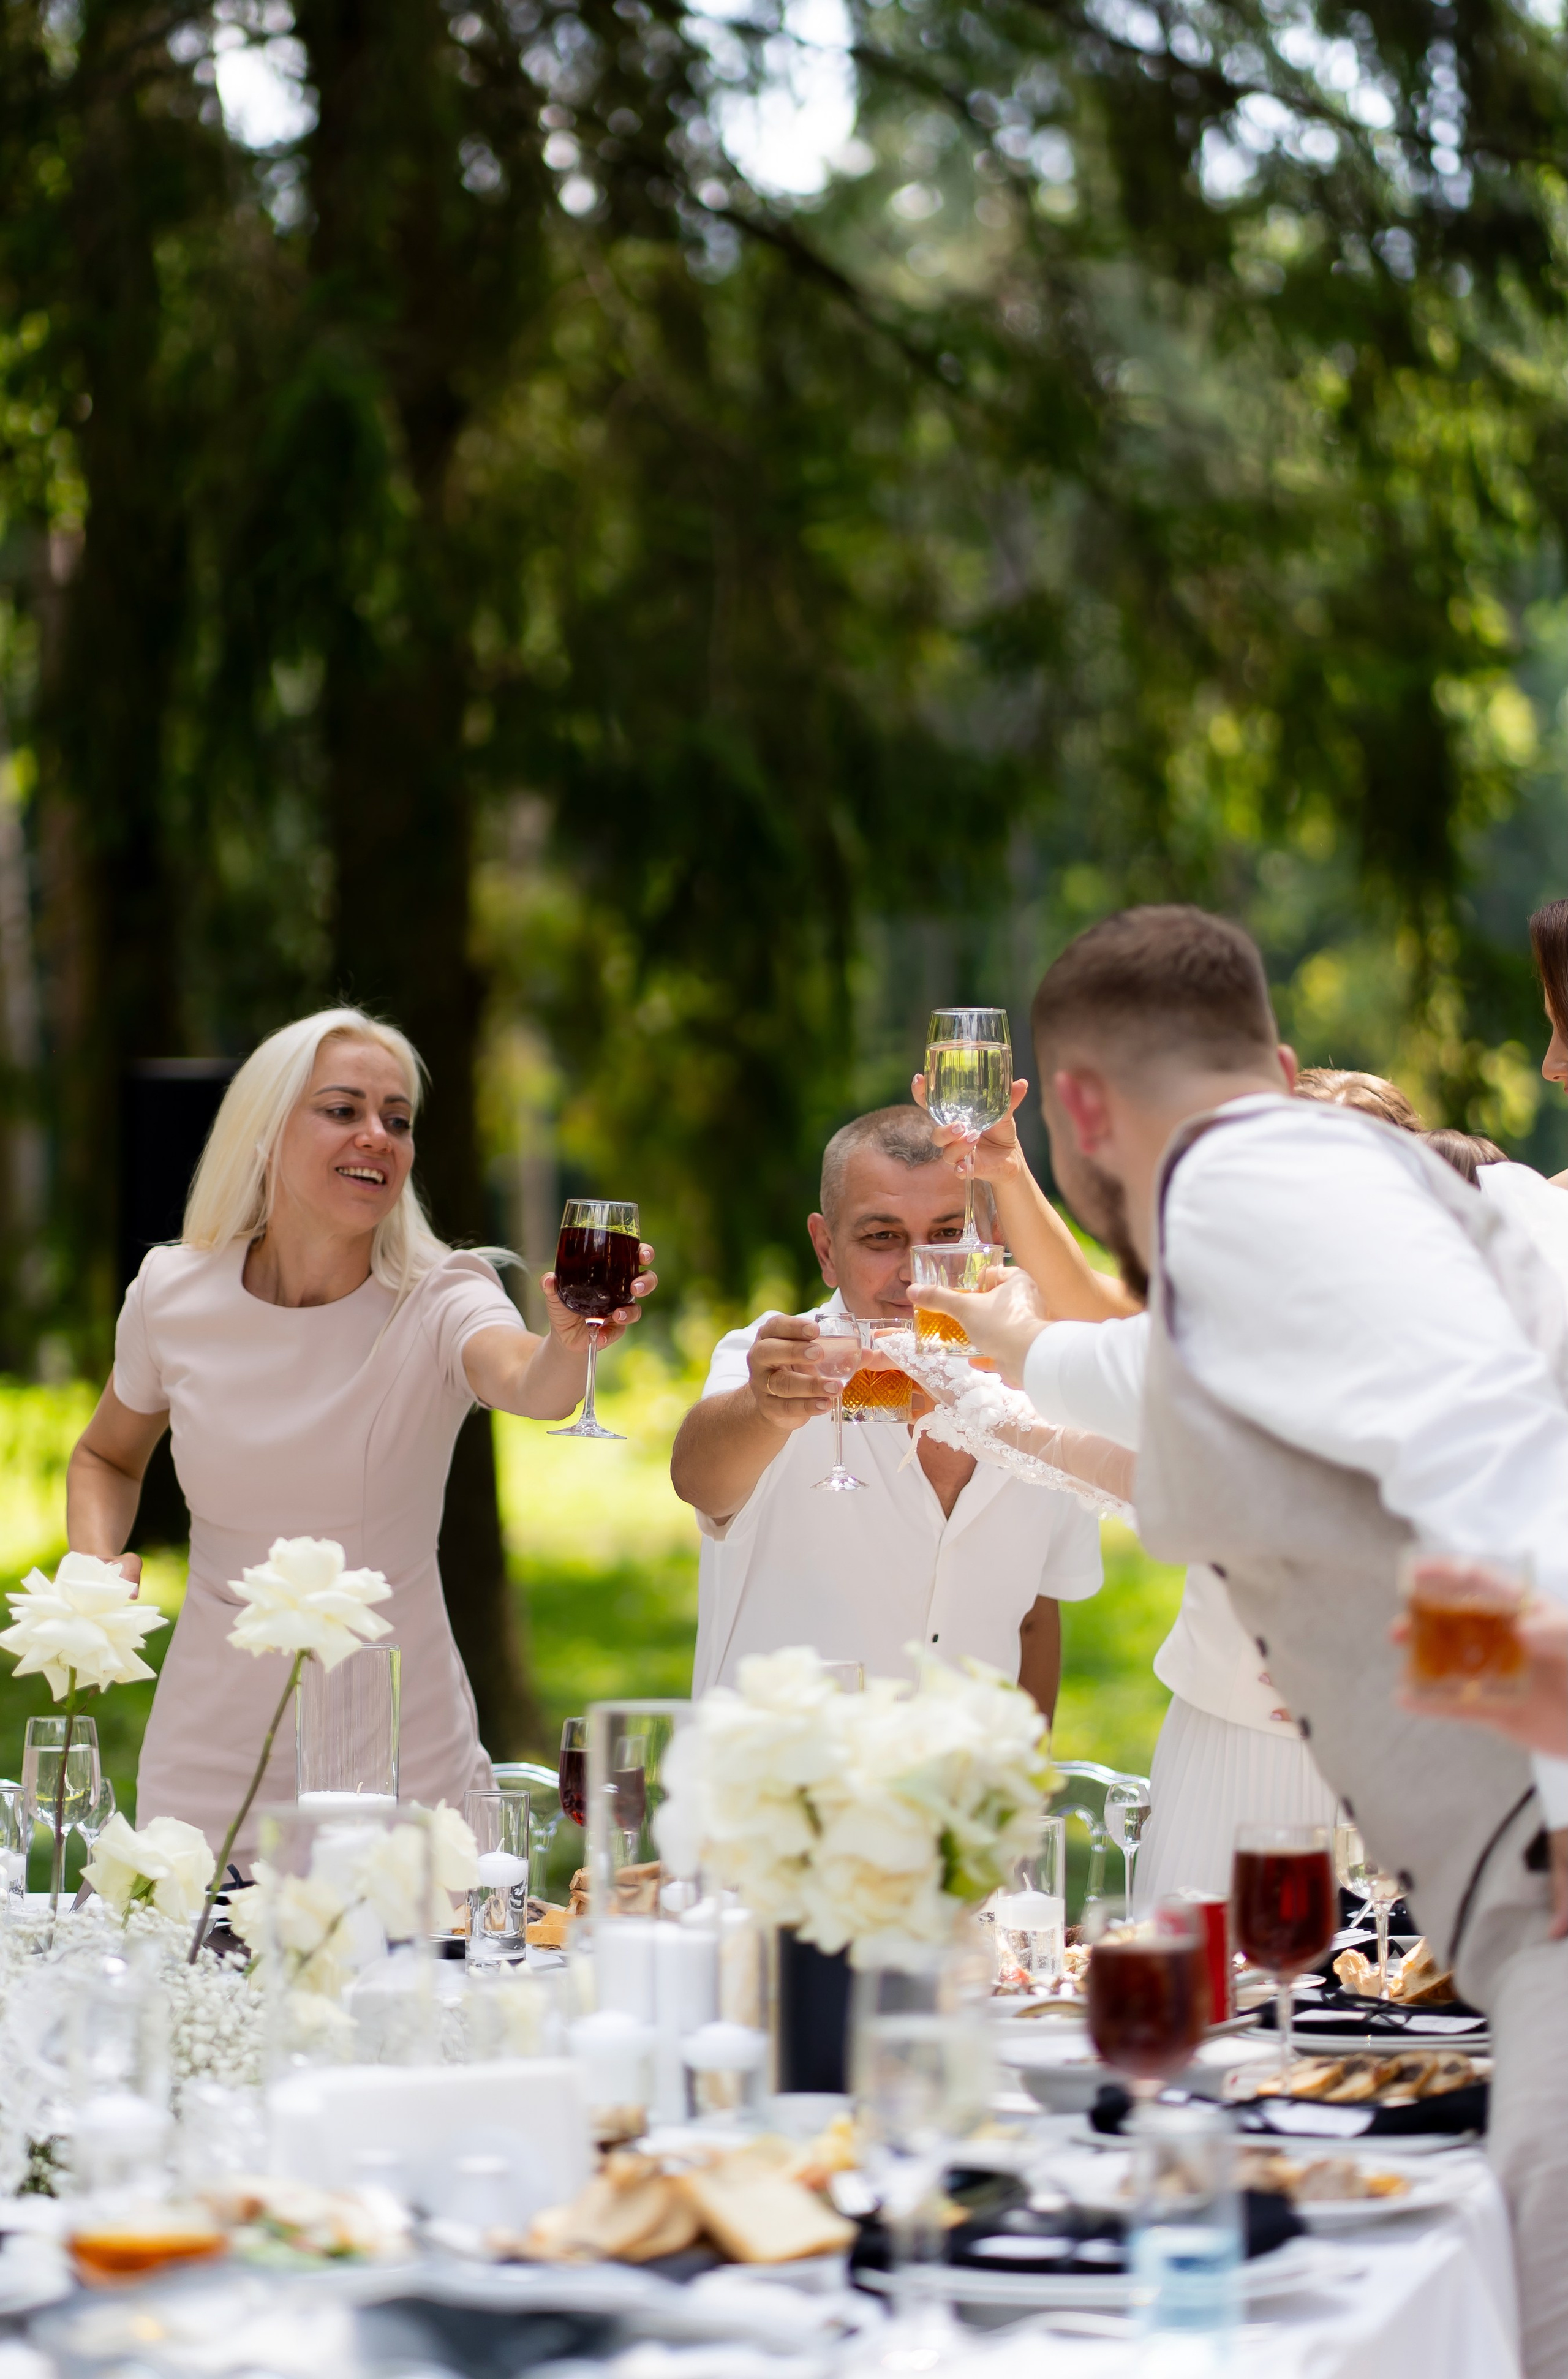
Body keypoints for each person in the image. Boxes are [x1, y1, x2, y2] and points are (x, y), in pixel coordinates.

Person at [916, 906, 1568, 2379]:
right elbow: (1163, 1366)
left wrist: (1458, 1665)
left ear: (1077, 1103)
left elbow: (1501, 1455)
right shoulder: (1288, 1179)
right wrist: (1021, 1342)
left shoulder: (1241, 1182)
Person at [66, 1006, 655, 1860]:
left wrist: (571, 1343)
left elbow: (532, 1385)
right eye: (343, 1110)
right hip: (208, 1757)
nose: (377, 1135)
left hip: (400, 1762)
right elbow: (105, 1454)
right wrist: (92, 1563)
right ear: (265, 1132)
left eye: (398, 1119)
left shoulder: (446, 1295)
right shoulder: (171, 1291)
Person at [668, 1105, 1104, 1707]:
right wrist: (762, 1406)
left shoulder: (1041, 1387)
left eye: (947, 1236)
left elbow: (1034, 1615)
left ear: (991, 1238)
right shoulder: (776, 1362)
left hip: (958, 1795)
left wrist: (1023, 1787)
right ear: (826, 1247)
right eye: (882, 1237)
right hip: (782, 1789)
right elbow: (699, 1482)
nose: (916, 1274)